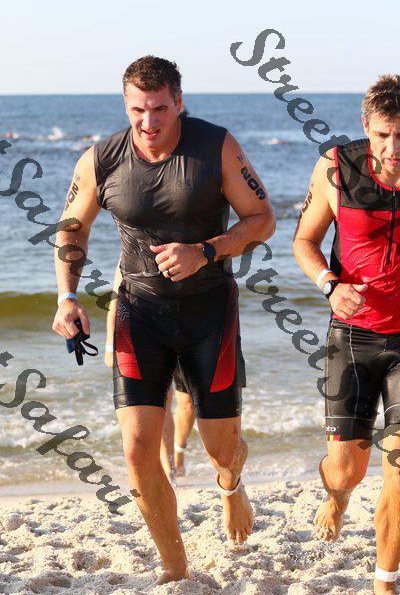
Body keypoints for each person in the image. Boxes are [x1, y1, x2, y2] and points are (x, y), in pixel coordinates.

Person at [52, 55, 275, 586]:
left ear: (178, 102)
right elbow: (72, 227)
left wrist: (206, 250)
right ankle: (175, 567)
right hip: (139, 313)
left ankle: (230, 485)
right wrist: (67, 296)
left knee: (221, 449)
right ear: (124, 105)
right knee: (136, 449)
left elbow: (262, 218)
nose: (148, 122)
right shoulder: (101, 159)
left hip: (208, 313)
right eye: (137, 110)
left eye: (158, 109)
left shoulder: (215, 146)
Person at [293, 74, 400, 595]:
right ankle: (336, 497)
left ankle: (385, 582)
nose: (394, 148)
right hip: (353, 338)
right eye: (383, 135)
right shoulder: (336, 168)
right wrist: (329, 285)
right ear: (365, 126)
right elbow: (305, 241)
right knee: (345, 470)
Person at [104, 255, 195, 480]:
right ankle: (169, 468)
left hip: (191, 325)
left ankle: (179, 452)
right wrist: (109, 344)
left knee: (188, 404)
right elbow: (117, 293)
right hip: (151, 330)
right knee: (163, 399)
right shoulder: (135, 243)